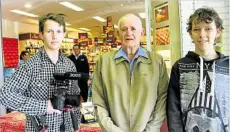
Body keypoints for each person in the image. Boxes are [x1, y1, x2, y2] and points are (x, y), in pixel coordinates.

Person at [0, 13, 81, 132]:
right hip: (40, 128)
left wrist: (76, 124)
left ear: (63, 34)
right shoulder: (30, 65)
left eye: (58, 31)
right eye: (49, 31)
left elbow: (75, 99)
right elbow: (5, 94)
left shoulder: (70, 65)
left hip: (67, 127)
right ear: (41, 35)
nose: (54, 36)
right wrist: (44, 106)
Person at [92, 14, 169, 132]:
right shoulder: (104, 62)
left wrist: (150, 129)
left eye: (133, 28)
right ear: (118, 34)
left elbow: (162, 99)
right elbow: (99, 102)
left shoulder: (156, 61)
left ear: (142, 32)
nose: (129, 33)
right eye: (124, 29)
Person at [167, 7, 229, 132]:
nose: (202, 34)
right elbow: (173, 109)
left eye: (208, 29)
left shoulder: (227, 65)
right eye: (196, 29)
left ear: (217, 32)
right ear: (190, 33)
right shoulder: (180, 66)